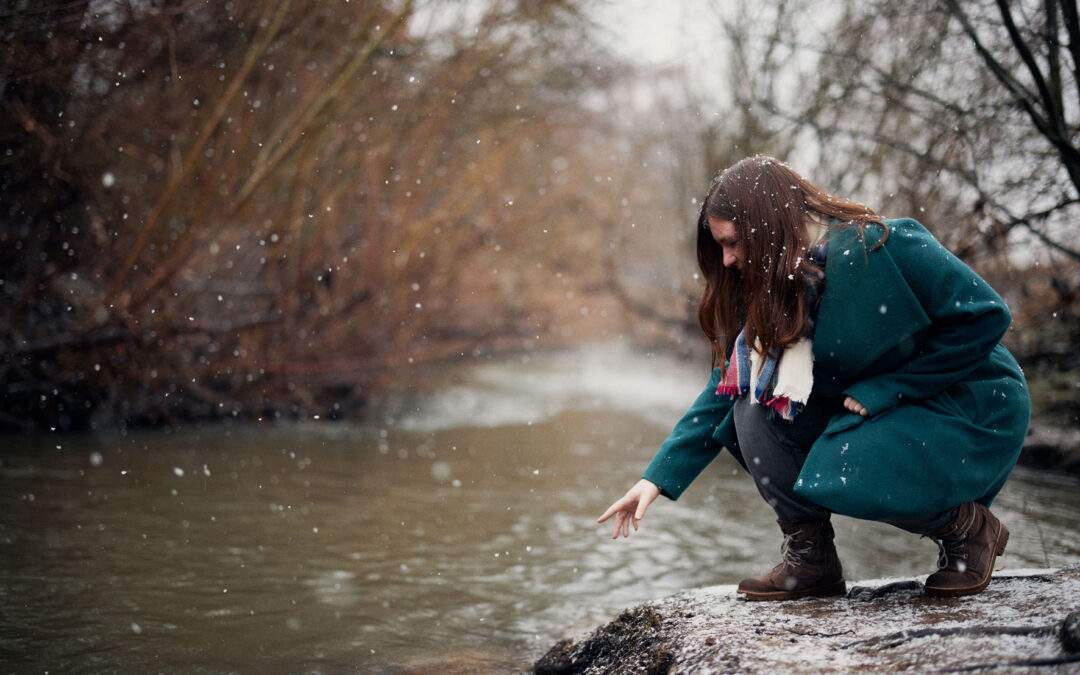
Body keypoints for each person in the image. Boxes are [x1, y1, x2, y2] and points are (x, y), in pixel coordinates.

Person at [597, 156, 1031, 601]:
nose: (726, 261)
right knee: (751, 407)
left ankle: (969, 530)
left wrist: (890, 387)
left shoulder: (885, 245)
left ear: (767, 227)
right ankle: (812, 559)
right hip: (888, 405)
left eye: (731, 244)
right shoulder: (776, 289)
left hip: (969, 401)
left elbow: (986, 317)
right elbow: (724, 386)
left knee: (844, 462)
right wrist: (654, 480)